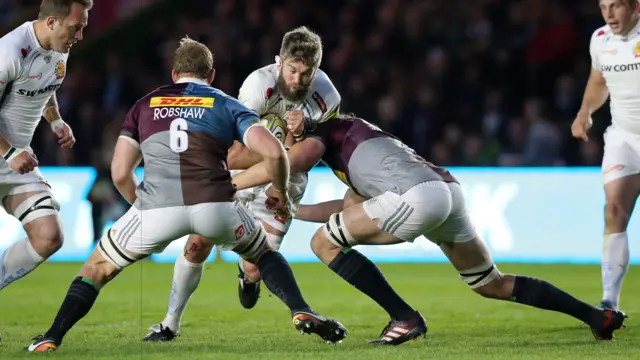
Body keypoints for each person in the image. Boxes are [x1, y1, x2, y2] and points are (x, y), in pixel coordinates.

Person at [25, 37, 346, 353]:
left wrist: (140, 206)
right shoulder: (226, 103)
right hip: (216, 202)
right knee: (263, 256)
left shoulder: (144, 105)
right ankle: (300, 308)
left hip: (156, 206)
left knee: (97, 268)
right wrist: (280, 188)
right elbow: (276, 155)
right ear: (211, 76)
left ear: (174, 74)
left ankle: (52, 336)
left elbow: (120, 171)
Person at [234, 114, 628, 345]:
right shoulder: (363, 145)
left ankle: (404, 317)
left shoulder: (328, 132)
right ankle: (595, 317)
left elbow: (289, 161)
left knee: (324, 244)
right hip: (447, 192)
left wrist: (239, 183)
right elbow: (348, 209)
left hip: (415, 196)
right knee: (490, 282)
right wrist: (295, 209)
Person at [143, 26, 342, 342]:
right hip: (251, 172)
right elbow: (234, 153)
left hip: (287, 183)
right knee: (197, 243)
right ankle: (169, 324)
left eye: (305, 74)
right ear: (279, 62)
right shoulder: (257, 85)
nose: (296, 80)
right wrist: (275, 154)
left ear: (316, 70)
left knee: (254, 268)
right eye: (291, 71)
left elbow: (306, 156)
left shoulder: (327, 97)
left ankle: (248, 279)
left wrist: (282, 168)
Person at [0, 0, 91, 340]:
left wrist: (56, 121)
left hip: (15, 164)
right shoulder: (9, 50)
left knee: (49, 236)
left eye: (82, 27)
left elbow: (45, 89)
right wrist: (9, 150)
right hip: (9, 155)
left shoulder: (58, 46)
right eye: (75, 28)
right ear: (51, 21)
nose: (80, 35)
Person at [571, 0, 638, 311]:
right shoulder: (600, 40)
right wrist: (585, 112)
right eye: (603, 7)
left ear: (636, 7)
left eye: (616, 7)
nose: (609, 14)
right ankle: (609, 304)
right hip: (624, 138)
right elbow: (599, 80)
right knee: (613, 211)